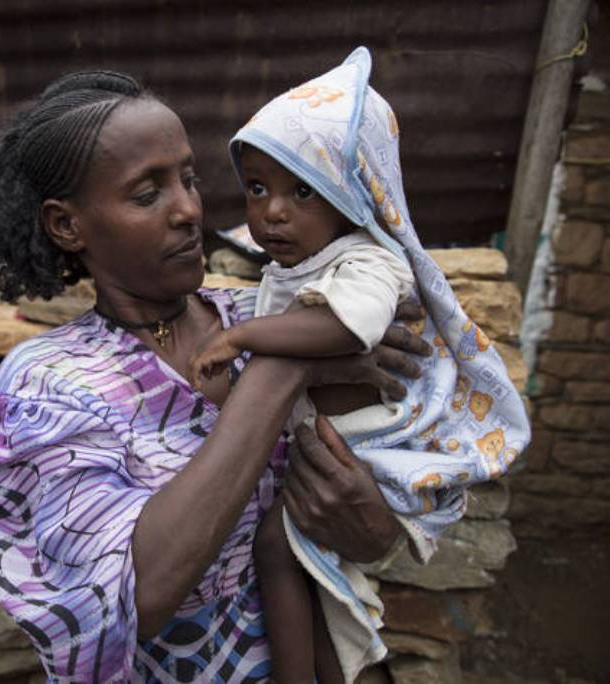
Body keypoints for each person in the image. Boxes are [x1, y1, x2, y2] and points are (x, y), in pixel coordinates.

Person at [0, 68, 431, 682]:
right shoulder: (47, 387)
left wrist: (371, 525)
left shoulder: (272, 313)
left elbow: (379, 504)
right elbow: (129, 601)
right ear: (67, 225)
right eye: (146, 193)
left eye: (188, 178)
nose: (188, 209)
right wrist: (281, 369)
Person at [188, 47, 531, 684]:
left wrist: (244, 340)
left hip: (375, 456)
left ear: (354, 195)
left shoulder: (368, 261)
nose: (273, 211)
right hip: (334, 458)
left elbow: (345, 327)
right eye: (257, 187)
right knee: (312, 583)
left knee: (281, 551)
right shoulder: (294, 268)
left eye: (303, 190)